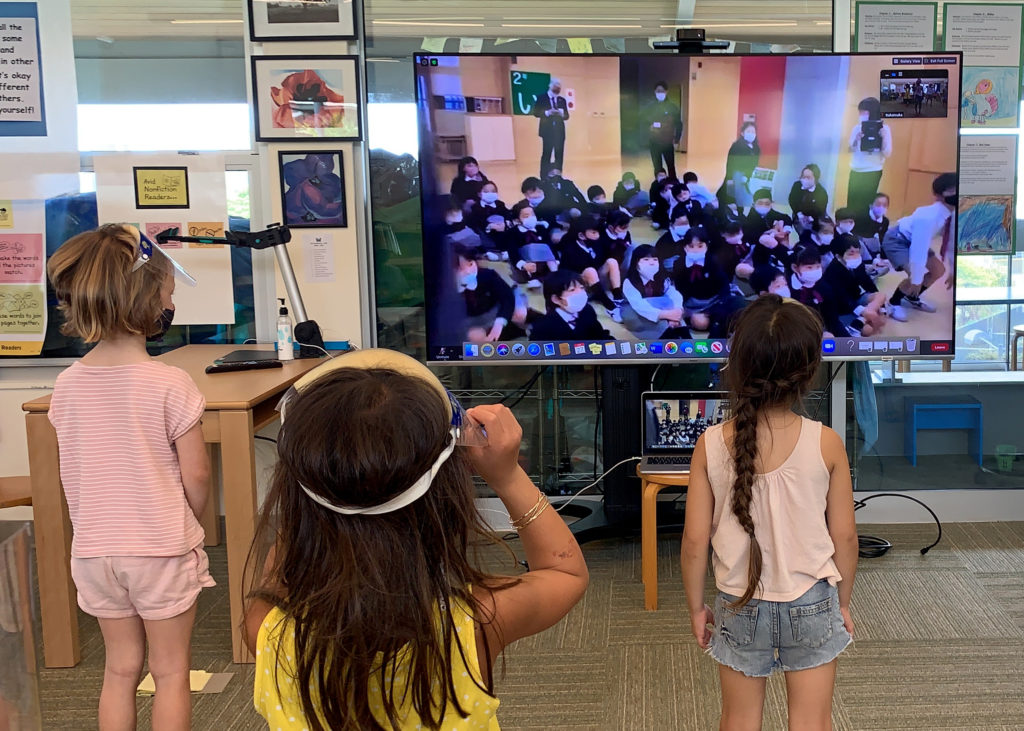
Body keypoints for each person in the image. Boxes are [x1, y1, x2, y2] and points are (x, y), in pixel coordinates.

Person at [244, 351, 588, 729]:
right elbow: (565, 571)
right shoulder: (475, 624)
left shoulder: (266, 629)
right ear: (446, 500)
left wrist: (318, 489)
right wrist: (507, 477)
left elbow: (284, 567)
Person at [45, 224, 213, 730]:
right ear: (148, 303)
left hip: (94, 552)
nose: (170, 303)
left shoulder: (66, 385)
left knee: (118, 669)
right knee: (169, 672)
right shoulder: (170, 383)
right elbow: (198, 475)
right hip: (159, 548)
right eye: (168, 293)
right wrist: (192, 522)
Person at [680, 295, 858, 731]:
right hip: (813, 602)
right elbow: (847, 540)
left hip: (738, 604)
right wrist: (843, 604)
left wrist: (696, 608)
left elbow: (692, 541)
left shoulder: (710, 444)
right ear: (810, 369)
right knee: (812, 721)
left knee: (738, 720)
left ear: (738, 366)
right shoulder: (827, 442)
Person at [883, 172, 957, 316]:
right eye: (952, 189)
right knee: (915, 274)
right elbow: (919, 249)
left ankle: (912, 297)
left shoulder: (953, 215)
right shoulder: (928, 217)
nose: (957, 192)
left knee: (938, 270)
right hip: (898, 239)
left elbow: (951, 243)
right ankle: (893, 303)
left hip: (913, 239)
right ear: (940, 195)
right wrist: (917, 280)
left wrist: (953, 270)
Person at [672, 227, 745, 336]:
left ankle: (721, 322)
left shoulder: (713, 260)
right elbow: (679, 290)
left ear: (706, 246)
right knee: (700, 323)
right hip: (693, 304)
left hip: (714, 301)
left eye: (700, 246)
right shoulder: (679, 264)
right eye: (691, 246)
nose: (696, 250)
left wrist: (723, 303)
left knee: (739, 304)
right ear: (685, 247)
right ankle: (721, 323)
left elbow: (723, 283)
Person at [455, 246, 528, 343]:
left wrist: (500, 321)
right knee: (475, 337)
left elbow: (507, 297)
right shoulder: (445, 290)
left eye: (471, 263)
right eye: (460, 268)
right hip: (471, 321)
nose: (468, 271)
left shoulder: (487, 275)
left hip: (494, 311)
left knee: (520, 313)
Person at [558, 215, 624, 322]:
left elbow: (606, 257)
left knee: (612, 262)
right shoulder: (570, 250)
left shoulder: (598, 243)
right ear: (581, 235)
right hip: (578, 284)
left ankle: (618, 297)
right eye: (593, 233)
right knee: (590, 271)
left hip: (596, 280)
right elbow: (565, 274)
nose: (597, 236)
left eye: (598, 232)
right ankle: (610, 307)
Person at [824, 234, 890, 335]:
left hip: (856, 299)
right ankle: (862, 320)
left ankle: (860, 321)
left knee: (881, 296)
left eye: (858, 252)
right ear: (838, 256)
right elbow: (842, 298)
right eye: (851, 253)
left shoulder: (858, 263)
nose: (856, 256)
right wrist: (864, 312)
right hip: (842, 308)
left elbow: (867, 283)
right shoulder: (832, 272)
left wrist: (882, 309)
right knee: (868, 330)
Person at [620, 244, 689, 340]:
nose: (651, 263)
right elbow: (639, 306)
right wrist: (666, 315)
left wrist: (677, 310)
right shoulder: (629, 281)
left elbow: (674, 294)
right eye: (646, 260)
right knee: (662, 326)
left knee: (671, 307)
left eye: (655, 260)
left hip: (657, 309)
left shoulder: (662, 278)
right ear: (636, 262)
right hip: (634, 312)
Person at [529, 269, 613, 341]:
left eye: (581, 288)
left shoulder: (587, 310)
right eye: (572, 290)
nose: (580, 293)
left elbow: (599, 335)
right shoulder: (543, 328)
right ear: (556, 299)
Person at [848, 97, 892, 217]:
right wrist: (856, 139)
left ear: (873, 112)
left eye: (863, 111)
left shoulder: (885, 129)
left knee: (866, 204)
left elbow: (887, 153)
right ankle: (851, 229)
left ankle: (863, 230)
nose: (861, 115)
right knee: (852, 203)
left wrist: (883, 139)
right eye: (860, 112)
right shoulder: (857, 128)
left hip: (873, 171)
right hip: (856, 170)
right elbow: (849, 149)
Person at [788, 245, 843, 337]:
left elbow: (832, 319)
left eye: (818, 267)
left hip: (820, 327)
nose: (814, 271)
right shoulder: (786, 287)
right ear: (795, 268)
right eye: (809, 267)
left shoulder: (824, 287)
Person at [507, 202, 557, 289]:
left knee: (552, 263)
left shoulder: (541, 229)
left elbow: (550, 246)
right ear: (517, 220)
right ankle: (533, 278)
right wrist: (523, 265)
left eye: (533, 214)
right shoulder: (513, 233)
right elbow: (512, 251)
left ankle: (552, 276)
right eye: (526, 216)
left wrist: (555, 259)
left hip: (544, 261)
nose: (531, 218)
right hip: (526, 262)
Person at [531, 78, 570, 176]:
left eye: (559, 88)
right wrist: (548, 112)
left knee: (559, 154)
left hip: (560, 132)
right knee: (546, 154)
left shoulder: (562, 100)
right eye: (556, 87)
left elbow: (567, 116)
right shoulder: (541, 98)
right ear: (550, 86)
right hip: (547, 131)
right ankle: (544, 176)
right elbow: (535, 113)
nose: (557, 90)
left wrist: (561, 113)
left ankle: (558, 175)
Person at [644, 81, 683, 178]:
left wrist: (677, 138)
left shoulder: (673, 107)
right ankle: (659, 185)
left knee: (670, 166)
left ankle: (673, 185)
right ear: (654, 92)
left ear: (666, 91)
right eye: (658, 91)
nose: (660, 93)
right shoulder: (650, 107)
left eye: (662, 91)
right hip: (654, 141)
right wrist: (649, 127)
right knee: (657, 167)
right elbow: (643, 121)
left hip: (667, 141)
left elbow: (679, 123)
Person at [720, 122, 761, 211]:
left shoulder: (756, 148)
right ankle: (738, 212)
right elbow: (730, 163)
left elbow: (755, 163)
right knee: (738, 196)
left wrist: (749, 175)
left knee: (748, 196)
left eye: (753, 132)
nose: (751, 134)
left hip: (749, 174)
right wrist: (730, 178)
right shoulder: (736, 146)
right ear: (742, 133)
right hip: (737, 174)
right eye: (748, 131)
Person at [854, 193, 892, 277]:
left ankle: (876, 265)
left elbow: (883, 239)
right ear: (871, 205)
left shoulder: (885, 221)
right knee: (861, 243)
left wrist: (885, 257)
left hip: (871, 244)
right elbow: (856, 236)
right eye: (878, 204)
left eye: (885, 205)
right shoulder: (861, 216)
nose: (881, 207)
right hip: (859, 244)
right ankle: (869, 265)